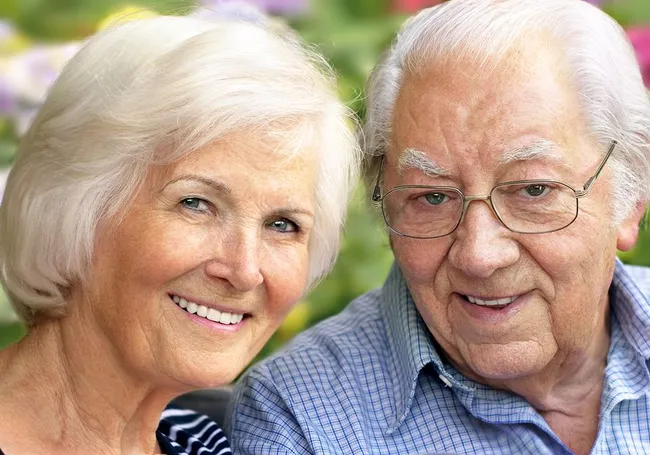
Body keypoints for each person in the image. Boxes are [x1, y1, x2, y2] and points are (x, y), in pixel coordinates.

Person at [226, 0, 650, 454]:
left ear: (630, 199)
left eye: (532, 191)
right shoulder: (299, 417)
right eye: (432, 197)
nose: (479, 255)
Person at [0, 9, 359, 455]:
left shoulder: (211, 445)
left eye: (282, 225)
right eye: (196, 204)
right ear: (73, 207)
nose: (245, 270)